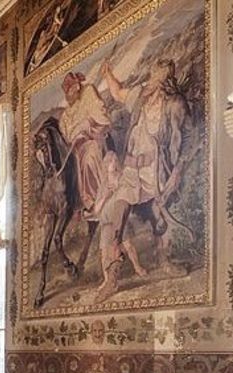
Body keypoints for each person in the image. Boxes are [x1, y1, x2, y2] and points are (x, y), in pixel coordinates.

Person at [93, 58, 189, 301]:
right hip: (131, 173)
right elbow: (118, 92)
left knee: (159, 217)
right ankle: (111, 278)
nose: (149, 81)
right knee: (114, 215)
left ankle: (164, 261)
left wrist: (176, 172)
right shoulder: (140, 97)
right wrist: (107, 73)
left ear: (164, 82)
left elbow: (187, 137)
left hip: (155, 172)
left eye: (154, 77)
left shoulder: (174, 105)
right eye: (151, 76)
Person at [58, 71, 112, 220]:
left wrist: (87, 126)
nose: (68, 95)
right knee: (69, 169)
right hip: (76, 149)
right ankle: (80, 204)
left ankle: (97, 200)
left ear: (76, 86)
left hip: (94, 138)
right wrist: (75, 135)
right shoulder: (66, 114)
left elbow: (100, 115)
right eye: (67, 92)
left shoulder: (89, 92)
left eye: (70, 89)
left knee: (89, 158)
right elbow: (67, 134)